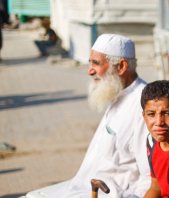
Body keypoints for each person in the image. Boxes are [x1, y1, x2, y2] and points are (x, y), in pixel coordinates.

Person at [43, 34, 151, 197]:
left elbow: (149, 177)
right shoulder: (118, 91)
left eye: (96, 63)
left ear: (121, 66)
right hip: (85, 187)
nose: (90, 71)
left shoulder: (145, 105)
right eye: (90, 62)